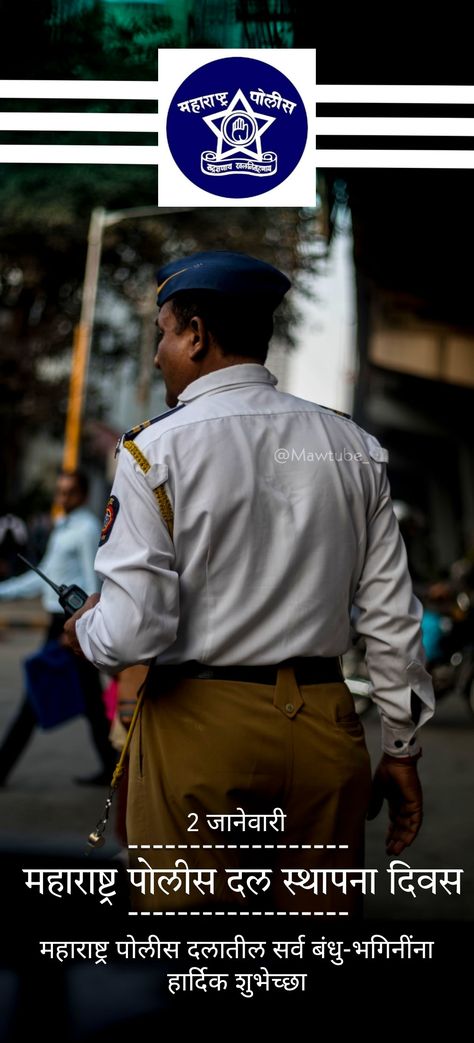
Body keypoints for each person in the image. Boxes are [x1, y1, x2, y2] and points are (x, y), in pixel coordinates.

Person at [64, 251, 435, 914]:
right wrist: (401, 750)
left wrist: (84, 627)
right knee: (309, 955)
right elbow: (392, 616)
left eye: (164, 335)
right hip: (326, 727)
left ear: (198, 335)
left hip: (199, 727)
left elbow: (133, 629)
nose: (158, 356)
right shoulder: (352, 446)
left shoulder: (153, 450)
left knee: (191, 955)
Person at [0, 470, 116, 786]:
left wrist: (80, 627)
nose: (62, 498)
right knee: (91, 702)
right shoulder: (63, 527)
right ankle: (113, 768)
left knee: (36, 694)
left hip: (70, 625)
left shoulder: (85, 528)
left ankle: (2, 767)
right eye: (59, 492)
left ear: (81, 495)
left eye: (69, 493)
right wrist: (3, 590)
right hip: (58, 624)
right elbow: (42, 578)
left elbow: (94, 583)